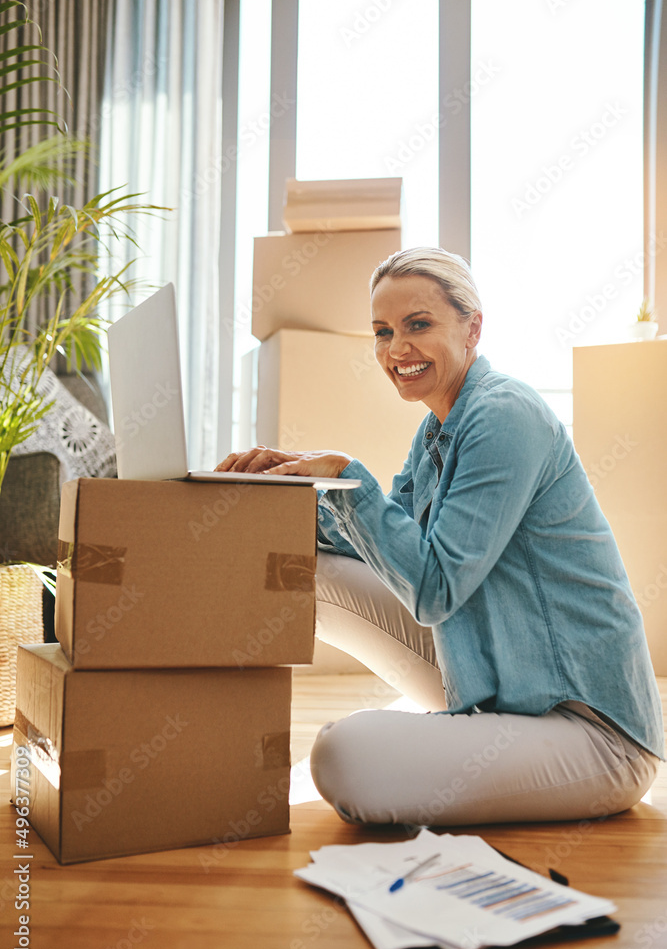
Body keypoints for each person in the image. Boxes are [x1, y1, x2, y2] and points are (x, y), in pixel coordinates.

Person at [216, 246, 664, 828]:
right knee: (304, 569)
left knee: (342, 756)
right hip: (494, 684)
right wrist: (286, 494)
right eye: (382, 332)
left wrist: (348, 474)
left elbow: (433, 589)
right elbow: (378, 542)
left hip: (590, 731)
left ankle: (440, 744)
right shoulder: (438, 428)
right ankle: (210, 732)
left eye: (418, 325)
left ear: (472, 327)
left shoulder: (506, 415)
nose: (397, 349)